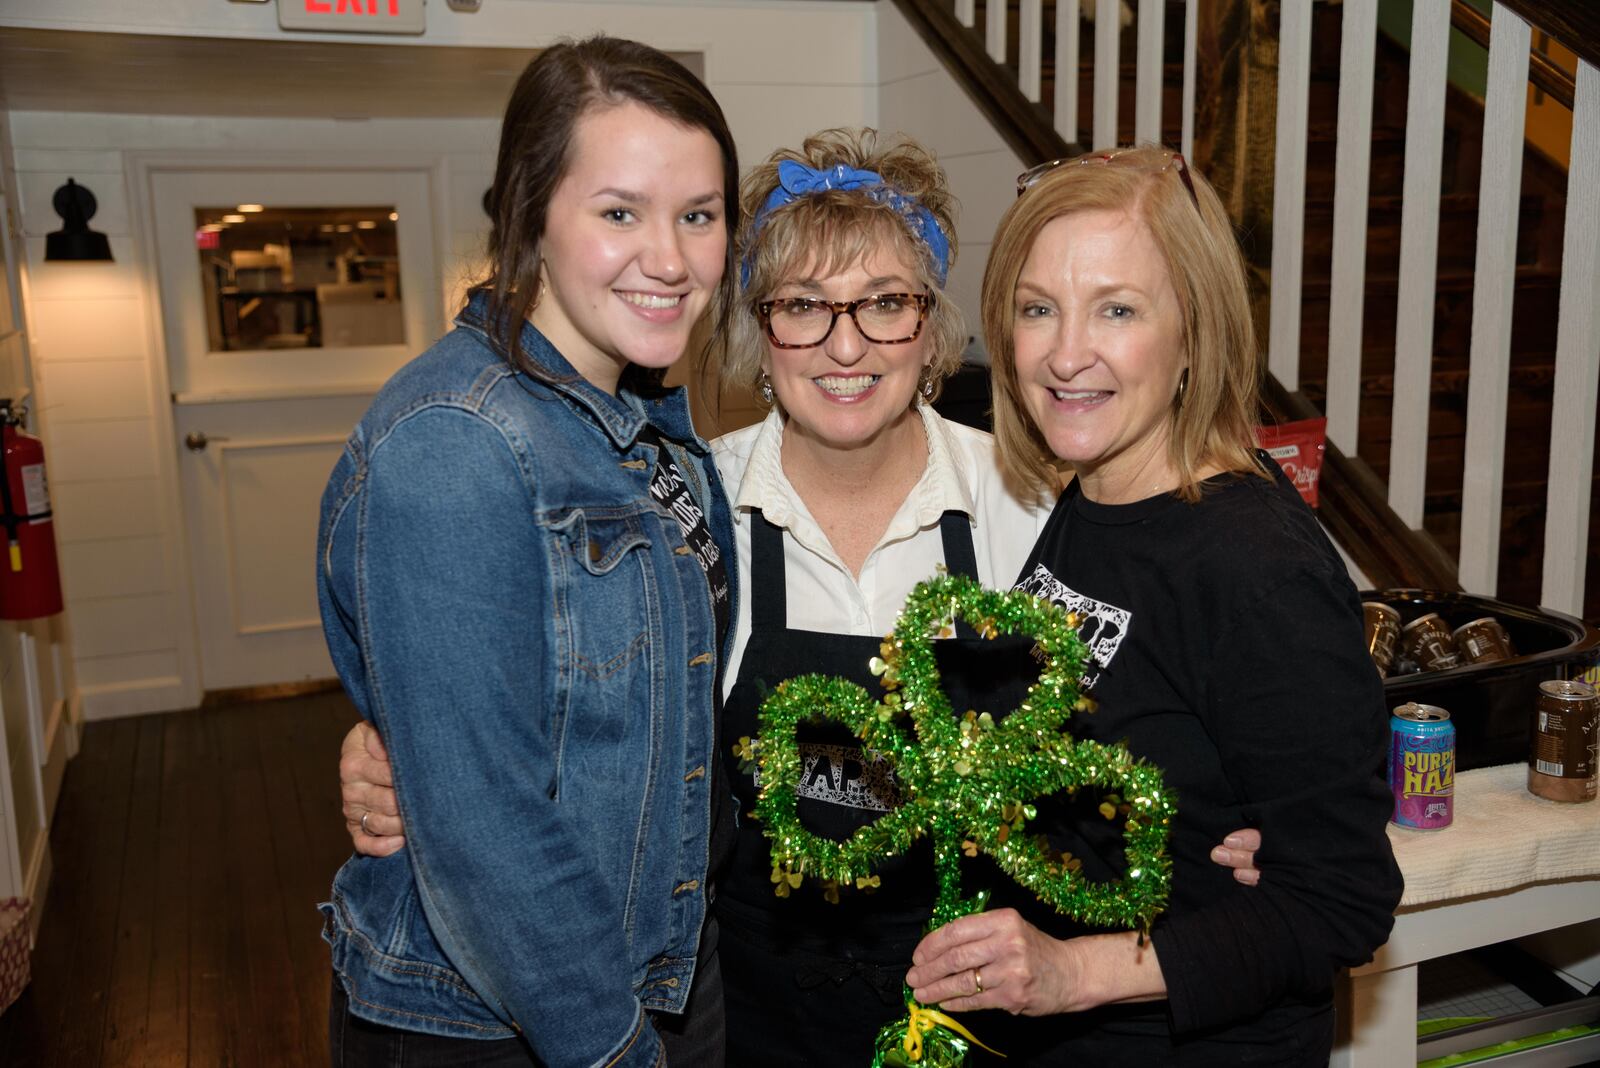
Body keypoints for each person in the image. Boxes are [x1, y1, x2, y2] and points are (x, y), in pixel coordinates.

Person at [338, 134, 1272, 1066]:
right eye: (803, 308)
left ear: (934, 328)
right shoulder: (687, 509)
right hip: (749, 1007)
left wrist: (1240, 815)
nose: (846, 344)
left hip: (984, 1000)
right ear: (757, 331)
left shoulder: (1029, 499)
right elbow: (570, 710)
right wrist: (403, 759)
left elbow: (1150, 697)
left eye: (887, 304)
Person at [901, 147, 1403, 1065]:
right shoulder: (1092, 501)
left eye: (1118, 310)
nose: (1064, 354)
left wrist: (1071, 973)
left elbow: (1342, 900)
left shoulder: (1254, 566)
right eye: (1036, 308)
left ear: (1193, 331)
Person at [315, 36, 740, 1068]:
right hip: (511, 1022)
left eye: (699, 214)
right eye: (619, 212)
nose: (672, 259)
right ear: (529, 218)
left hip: (659, 968)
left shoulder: (638, 415)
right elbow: (483, 826)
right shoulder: (457, 441)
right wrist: (611, 1044)